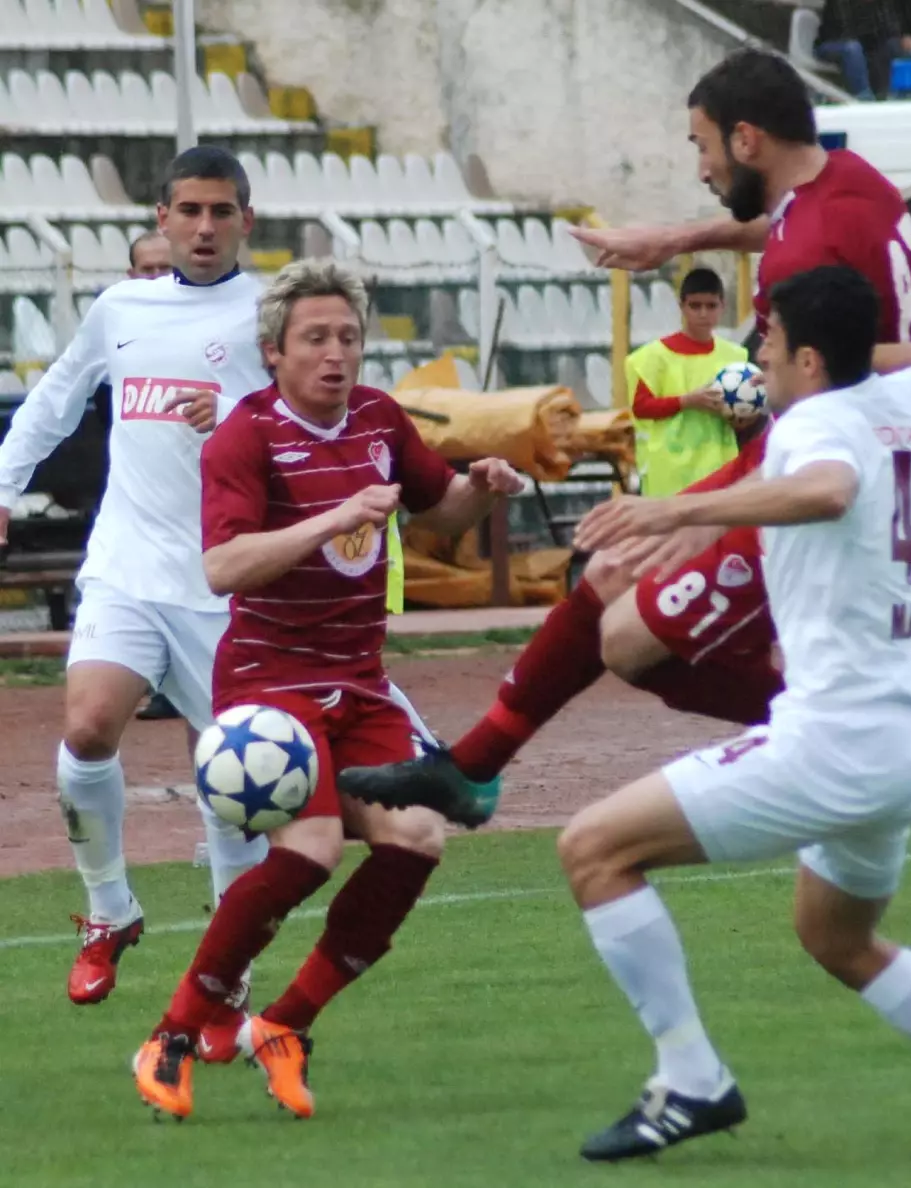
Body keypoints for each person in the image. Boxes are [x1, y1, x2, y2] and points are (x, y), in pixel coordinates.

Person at [550, 266, 911, 1160]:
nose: (755, 355)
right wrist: (843, 340)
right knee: (834, 936)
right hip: (907, 743)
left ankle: (691, 1080)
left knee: (592, 849)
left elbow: (827, 490)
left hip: (836, 739)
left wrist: (676, 508)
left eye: (768, 339)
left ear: (805, 356)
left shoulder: (813, 425)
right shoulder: (906, 396)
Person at [338, 46, 911, 823]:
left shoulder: (813, 246)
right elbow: (786, 231)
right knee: (612, 570)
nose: (702, 166)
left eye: (702, 145)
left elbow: (818, 302)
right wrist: (679, 241)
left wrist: (700, 506)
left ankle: (831, 728)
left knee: (631, 643)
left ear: (746, 139)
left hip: (814, 467)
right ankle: (472, 766)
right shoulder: (851, 187)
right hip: (799, 451)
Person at [131, 259, 523, 1121]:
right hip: (270, 680)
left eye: (348, 336)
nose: (337, 353)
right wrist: (331, 519)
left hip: (359, 683)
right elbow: (224, 565)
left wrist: (480, 491)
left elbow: (439, 511)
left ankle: (285, 1022)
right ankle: (173, 1031)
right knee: (309, 850)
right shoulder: (247, 434)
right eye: (316, 338)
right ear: (274, 352)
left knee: (418, 838)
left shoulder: (381, 418)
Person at [0, 146, 272, 1016]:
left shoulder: (276, 312)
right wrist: (2, 485)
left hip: (227, 578)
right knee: (85, 726)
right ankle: (110, 910)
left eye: (219, 212)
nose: (202, 226)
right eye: (187, 210)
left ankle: (227, 985)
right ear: (161, 218)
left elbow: (321, 424)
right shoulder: (122, 306)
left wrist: (233, 415)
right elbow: (56, 399)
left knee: (233, 779)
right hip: (125, 564)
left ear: (245, 222)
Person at [125, 229, 184, 723]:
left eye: (166, 268)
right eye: (148, 269)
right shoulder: (116, 329)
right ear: (131, 275)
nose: (158, 278)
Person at [627, 267, 747, 497]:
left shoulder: (735, 356)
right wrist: (686, 401)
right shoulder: (653, 356)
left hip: (720, 465)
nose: (703, 313)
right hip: (670, 469)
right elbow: (641, 407)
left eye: (711, 306)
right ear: (682, 306)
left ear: (723, 306)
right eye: (695, 306)